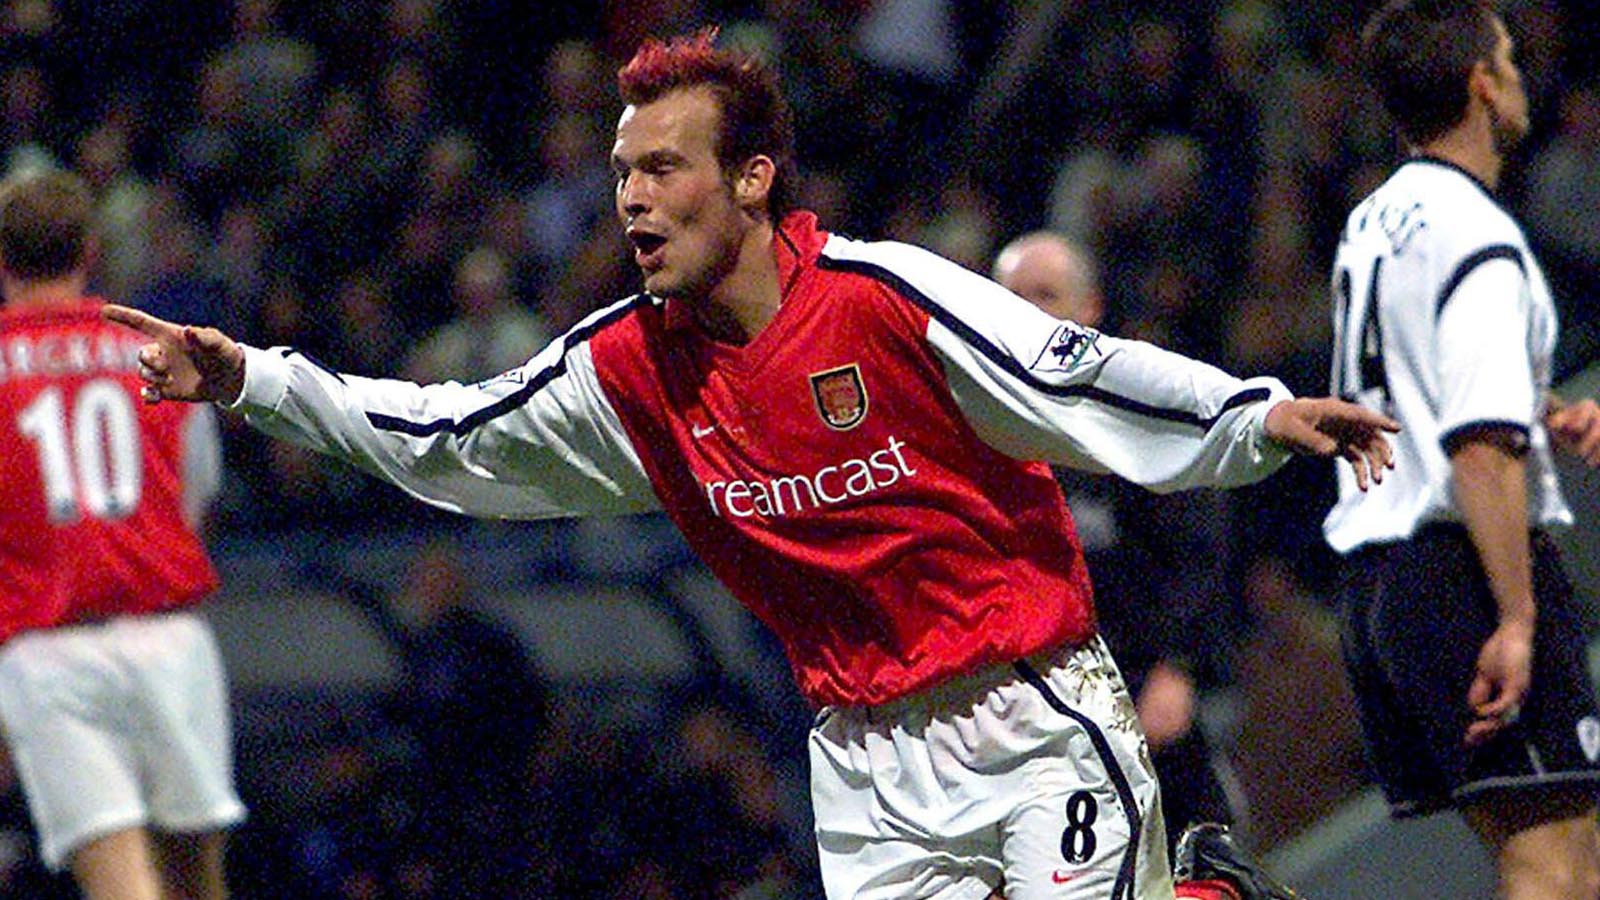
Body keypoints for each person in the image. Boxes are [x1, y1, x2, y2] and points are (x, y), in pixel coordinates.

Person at [111, 30, 1395, 900]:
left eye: (662, 168)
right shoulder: (624, 371)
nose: (629, 198)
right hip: (862, 764)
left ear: (752, 180)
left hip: (1033, 712)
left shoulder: (884, 300)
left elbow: (1070, 367)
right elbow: (444, 432)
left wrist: (1254, 417)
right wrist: (251, 381)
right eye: (619, 172)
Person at [1325, 3, 1600, 898]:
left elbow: (1411, 377)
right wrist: (1518, 616)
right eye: (1510, 60)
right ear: (1483, 82)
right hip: (1465, 569)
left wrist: (1538, 406)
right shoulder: (1478, 235)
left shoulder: (1375, 221)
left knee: (1560, 864)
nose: (1522, 76)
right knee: (1553, 871)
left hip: (1379, 577)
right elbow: (1480, 448)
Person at [0, 168, 245, 899]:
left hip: (48, 653)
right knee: (198, 885)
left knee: (122, 890)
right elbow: (196, 495)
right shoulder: (154, 346)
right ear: (89, 249)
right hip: (167, 637)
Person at [993, 231, 1243, 852]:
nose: (1026, 312)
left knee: (1203, 865)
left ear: (1090, 308)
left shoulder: (1134, 409)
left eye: (1045, 296)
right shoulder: (979, 434)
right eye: (1011, 298)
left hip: (1150, 697)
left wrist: (1179, 669)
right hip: (1044, 729)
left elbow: (1201, 548)